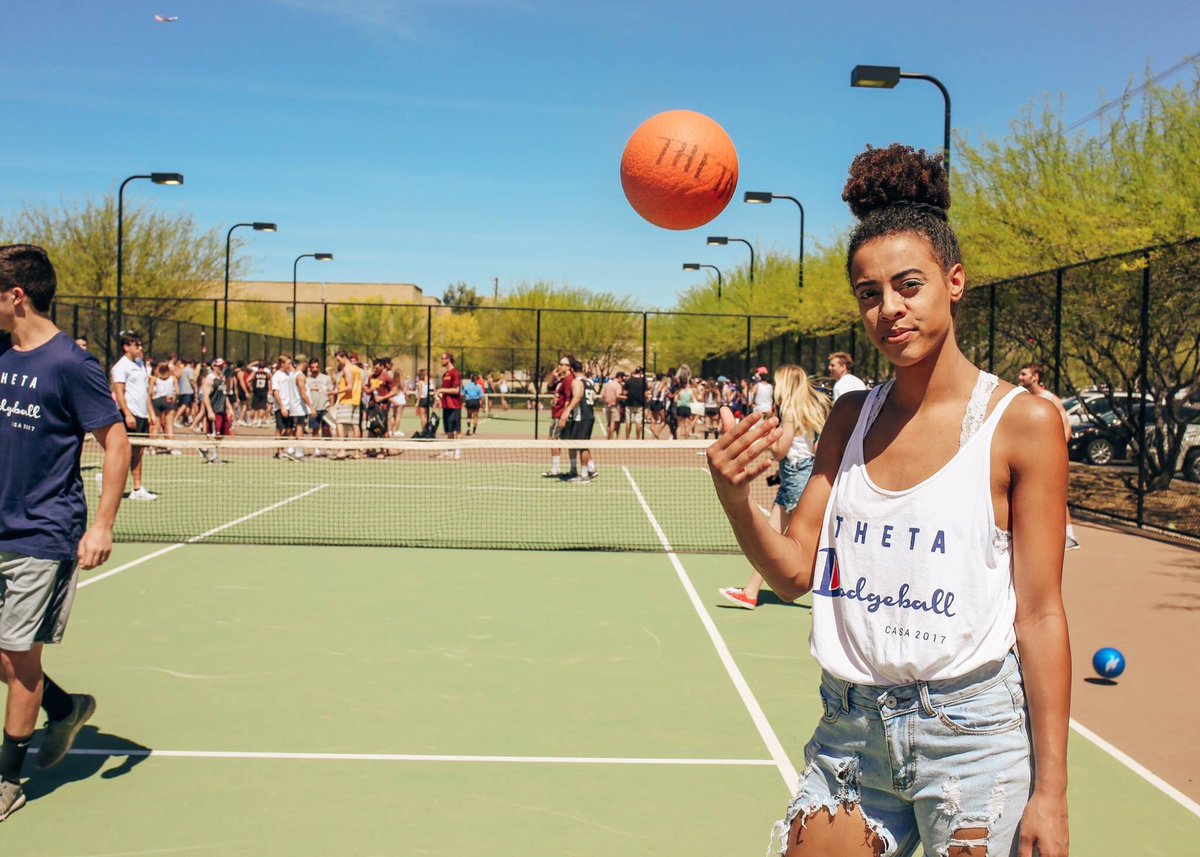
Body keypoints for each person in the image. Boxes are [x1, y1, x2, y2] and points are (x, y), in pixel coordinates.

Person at [706, 145, 1069, 857]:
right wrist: (734, 495)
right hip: (851, 737)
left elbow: (1042, 611)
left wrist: (1050, 792)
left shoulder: (1021, 422)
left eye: (909, 285)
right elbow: (791, 573)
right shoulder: (850, 418)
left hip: (973, 738)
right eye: (869, 294)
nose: (889, 309)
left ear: (954, 281)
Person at [0, 244, 131, 819]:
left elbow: (117, 442)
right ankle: (66, 707)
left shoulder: (71, 365)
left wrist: (101, 524)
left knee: (16, 655)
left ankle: (7, 780)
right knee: (5, 658)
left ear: (15, 296)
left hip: (42, 532)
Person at [719, 365, 829, 609]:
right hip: (799, 474)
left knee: (792, 539)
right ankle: (750, 591)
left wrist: (767, 440)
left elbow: (780, 451)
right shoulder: (808, 408)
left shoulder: (790, 411)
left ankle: (829, 599)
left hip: (796, 477)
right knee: (771, 534)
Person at [1018, 364, 1080, 551]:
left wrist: (1055, 452)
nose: (1020, 377)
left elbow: (1066, 428)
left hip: (1048, 455)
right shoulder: (1023, 398)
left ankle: (1069, 536)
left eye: (1024, 374)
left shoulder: (1050, 399)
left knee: (1056, 495)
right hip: (1029, 456)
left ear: (1035, 377)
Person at [109, 330, 156, 500]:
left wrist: (151, 413)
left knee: (139, 451)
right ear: (126, 347)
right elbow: (119, 393)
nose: (141, 348)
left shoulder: (139, 365)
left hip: (142, 415)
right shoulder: (120, 367)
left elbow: (144, 392)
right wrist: (127, 414)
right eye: (137, 345)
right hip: (129, 414)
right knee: (125, 452)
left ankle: (137, 488)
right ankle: (112, 487)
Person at [559, 357, 597, 483]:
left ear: (572, 369)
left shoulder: (576, 382)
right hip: (589, 416)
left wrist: (567, 411)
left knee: (581, 446)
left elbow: (577, 397)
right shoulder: (590, 382)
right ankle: (574, 470)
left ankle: (584, 474)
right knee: (574, 444)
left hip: (582, 417)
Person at [542, 357, 573, 477]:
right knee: (555, 441)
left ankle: (556, 469)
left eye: (562, 364)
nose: (559, 366)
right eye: (559, 364)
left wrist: (563, 416)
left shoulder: (568, 380)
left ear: (569, 366)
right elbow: (549, 387)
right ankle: (558, 468)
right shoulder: (561, 380)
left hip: (560, 415)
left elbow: (568, 399)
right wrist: (554, 375)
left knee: (554, 441)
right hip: (555, 414)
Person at [333, 351, 363, 445]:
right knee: (355, 425)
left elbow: (349, 387)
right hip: (356, 400)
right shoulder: (357, 369)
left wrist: (335, 392)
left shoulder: (346, 368)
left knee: (339, 423)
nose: (338, 362)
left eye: (339, 360)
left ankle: (341, 449)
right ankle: (356, 452)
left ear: (344, 357)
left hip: (346, 400)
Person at [150, 360, 180, 448]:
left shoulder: (154, 379)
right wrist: (174, 399)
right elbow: (178, 392)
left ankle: (153, 447)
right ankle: (171, 446)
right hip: (168, 400)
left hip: (157, 400)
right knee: (169, 425)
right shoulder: (173, 378)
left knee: (156, 425)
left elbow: (150, 392)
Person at [435, 352, 462, 446]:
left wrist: (442, 389)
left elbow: (456, 390)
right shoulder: (445, 374)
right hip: (446, 406)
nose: (441, 360)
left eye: (442, 358)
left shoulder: (455, 373)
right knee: (448, 430)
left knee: (456, 430)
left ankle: (458, 450)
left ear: (448, 359)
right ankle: (449, 450)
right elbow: (445, 391)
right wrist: (438, 398)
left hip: (454, 406)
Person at [623, 367, 647, 439]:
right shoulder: (643, 382)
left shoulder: (629, 381)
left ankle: (627, 438)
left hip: (629, 404)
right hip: (639, 405)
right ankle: (638, 438)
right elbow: (645, 393)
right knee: (638, 422)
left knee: (628, 422)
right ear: (640, 373)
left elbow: (624, 392)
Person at [602, 372, 624, 439]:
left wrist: (606, 402)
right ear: (619, 378)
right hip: (614, 406)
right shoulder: (618, 385)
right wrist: (614, 402)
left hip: (607, 405)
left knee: (609, 423)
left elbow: (603, 395)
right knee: (613, 423)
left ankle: (608, 437)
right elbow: (617, 396)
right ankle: (611, 438)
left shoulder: (606, 384)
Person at [415, 368, 431, 435]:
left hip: (422, 399)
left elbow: (419, 393)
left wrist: (417, 402)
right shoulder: (429, 382)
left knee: (422, 416)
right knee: (426, 416)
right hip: (427, 399)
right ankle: (427, 429)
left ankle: (424, 429)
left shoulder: (420, 383)